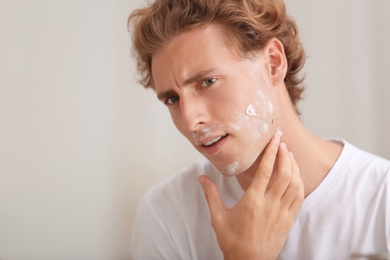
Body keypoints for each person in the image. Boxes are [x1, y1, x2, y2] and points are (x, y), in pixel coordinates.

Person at [128, 0, 390, 259]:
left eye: (207, 82)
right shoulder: (168, 215)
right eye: (172, 99)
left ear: (273, 63)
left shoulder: (382, 199)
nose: (189, 121)